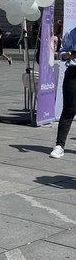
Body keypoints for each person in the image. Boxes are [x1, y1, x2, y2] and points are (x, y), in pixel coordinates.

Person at [51, 24, 76, 159]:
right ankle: (59, 146)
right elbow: (61, 54)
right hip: (73, 72)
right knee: (69, 110)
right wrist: (70, 54)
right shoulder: (70, 34)